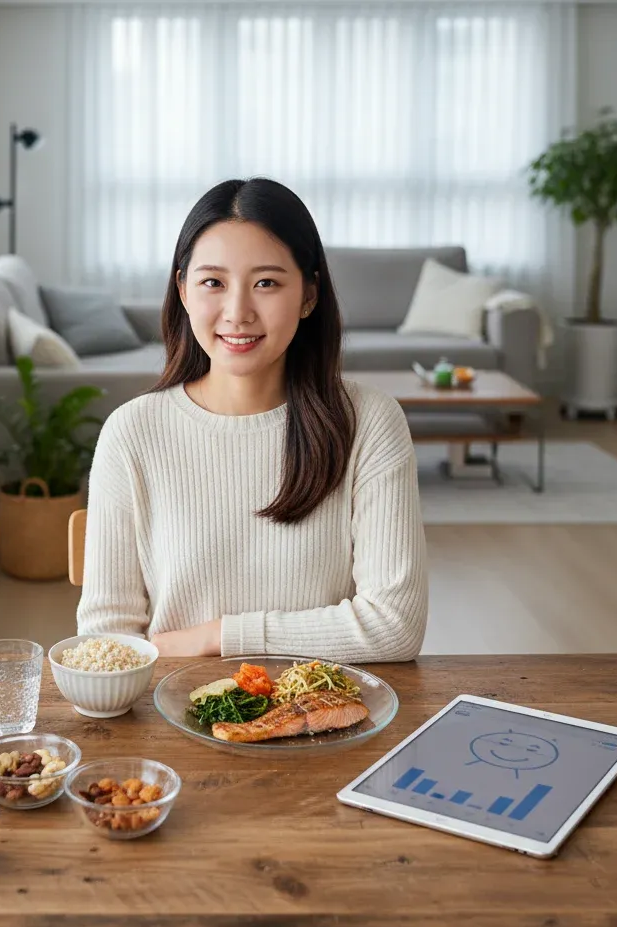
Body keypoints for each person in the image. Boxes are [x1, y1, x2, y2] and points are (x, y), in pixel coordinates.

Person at [77, 178, 427, 662]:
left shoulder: (369, 421)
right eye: (212, 282)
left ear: (309, 295)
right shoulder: (131, 432)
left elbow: (395, 627)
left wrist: (219, 636)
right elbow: (107, 643)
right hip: (172, 719)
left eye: (266, 282)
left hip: (325, 717)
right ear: (182, 290)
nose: (237, 312)